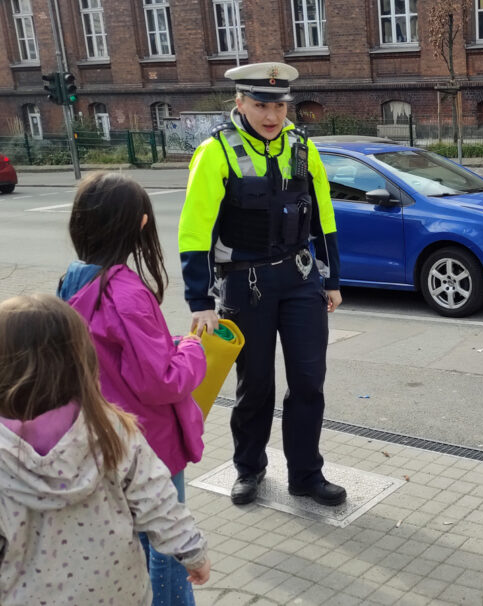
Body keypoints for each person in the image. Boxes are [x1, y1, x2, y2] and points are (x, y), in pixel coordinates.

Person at [179, 62, 346, 507]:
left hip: (300, 280)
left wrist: (331, 278)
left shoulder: (302, 147)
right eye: (260, 105)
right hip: (244, 284)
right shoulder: (215, 152)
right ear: (239, 103)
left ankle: (306, 474)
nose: (272, 115)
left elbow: (323, 214)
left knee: (309, 381)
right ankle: (249, 469)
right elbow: (195, 230)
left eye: (278, 105)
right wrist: (200, 300)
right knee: (255, 386)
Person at [0, 294, 210, 606]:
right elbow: (156, 497)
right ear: (80, 359)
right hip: (115, 592)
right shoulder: (111, 428)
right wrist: (192, 551)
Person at [57, 172, 208, 605]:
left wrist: (168, 347)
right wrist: (192, 349)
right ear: (140, 224)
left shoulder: (74, 279)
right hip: (150, 441)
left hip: (101, 433)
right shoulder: (126, 292)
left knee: (132, 537)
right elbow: (161, 381)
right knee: (167, 540)